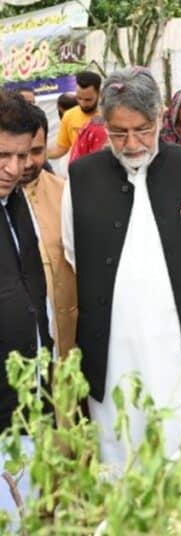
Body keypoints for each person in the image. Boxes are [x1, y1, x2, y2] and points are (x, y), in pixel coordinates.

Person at [61, 67, 181, 466]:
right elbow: (73, 252)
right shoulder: (82, 175)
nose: (132, 143)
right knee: (121, 435)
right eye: (118, 132)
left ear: (160, 117)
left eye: (142, 130)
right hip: (114, 339)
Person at [0, 90, 47, 524]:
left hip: (27, 397)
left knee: (21, 512)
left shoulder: (17, 202)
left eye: (21, 155)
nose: (14, 169)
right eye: (2, 156)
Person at [20, 106, 76, 358]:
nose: (29, 163)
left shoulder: (66, 194)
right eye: (20, 153)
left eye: (37, 151)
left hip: (66, 345)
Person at [48, 71, 101, 159]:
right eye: (79, 98)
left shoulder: (111, 116)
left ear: (99, 94)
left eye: (88, 100)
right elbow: (61, 148)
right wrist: (38, 154)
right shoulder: (69, 116)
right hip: (79, 170)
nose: (83, 103)